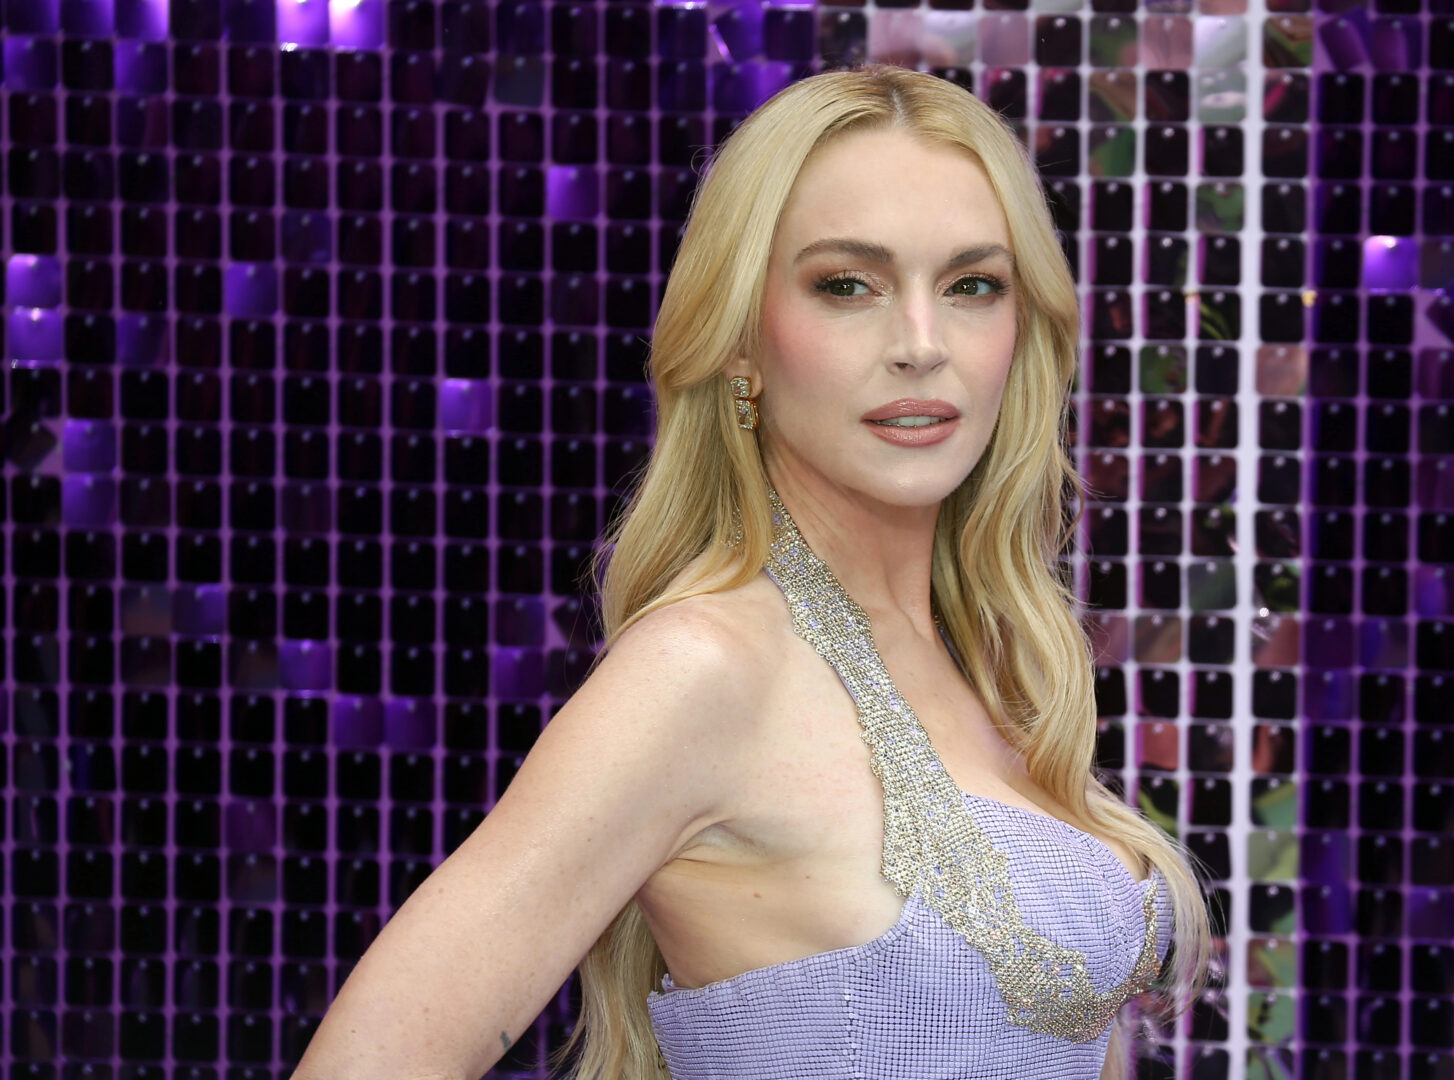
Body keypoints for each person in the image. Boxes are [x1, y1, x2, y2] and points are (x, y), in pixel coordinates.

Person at [288, 64, 1209, 1080]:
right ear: (739, 344)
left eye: (971, 286)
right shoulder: (704, 668)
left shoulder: (997, 661)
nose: (920, 344)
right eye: (847, 285)